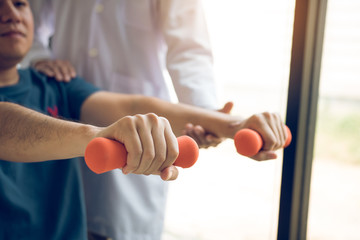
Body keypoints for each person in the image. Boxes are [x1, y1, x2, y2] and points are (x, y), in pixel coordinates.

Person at [0, 0, 288, 239]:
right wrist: (102, 136)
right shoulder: (52, 82)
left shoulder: (59, 87)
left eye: (19, 3)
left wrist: (228, 123)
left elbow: (139, 100)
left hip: (111, 149)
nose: (12, 14)